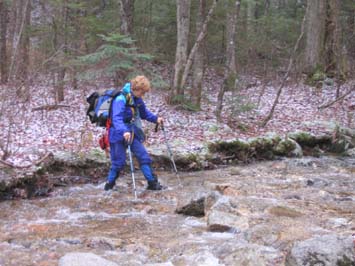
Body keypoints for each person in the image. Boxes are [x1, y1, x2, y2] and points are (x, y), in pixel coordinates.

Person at [104, 75, 164, 191]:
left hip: (131, 132)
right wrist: (123, 131)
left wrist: (156, 119)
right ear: (136, 89)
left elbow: (144, 113)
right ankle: (109, 186)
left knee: (143, 156)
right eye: (143, 92)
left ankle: (153, 184)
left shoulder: (137, 99)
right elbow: (116, 119)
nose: (143, 95)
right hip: (117, 134)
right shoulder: (120, 99)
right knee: (118, 163)